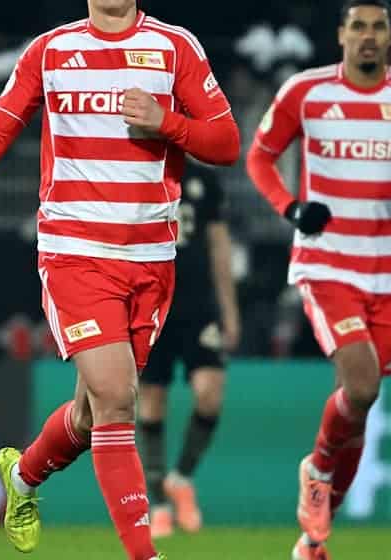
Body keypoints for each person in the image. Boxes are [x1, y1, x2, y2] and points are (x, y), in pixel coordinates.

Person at [0, 1, 241, 558]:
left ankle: (22, 478)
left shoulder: (175, 47)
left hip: (152, 259)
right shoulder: (50, 50)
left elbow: (227, 143)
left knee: (90, 414)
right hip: (76, 253)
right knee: (116, 397)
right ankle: (143, 552)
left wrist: (167, 122)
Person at [244, 1, 391, 558]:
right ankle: (317, 469)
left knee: (359, 406)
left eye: (378, 27)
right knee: (361, 385)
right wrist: (291, 209)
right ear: (341, 34)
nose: (368, 37)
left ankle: (313, 540)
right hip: (326, 265)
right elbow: (260, 157)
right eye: (358, 26)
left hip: (389, 271)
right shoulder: (307, 92)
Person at [136, 164, 240, 538]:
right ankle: (158, 502)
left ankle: (180, 478)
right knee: (151, 402)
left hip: (199, 308)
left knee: (209, 395)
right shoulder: (139, 169)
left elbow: (219, 243)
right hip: (151, 304)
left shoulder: (203, 179)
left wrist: (229, 309)